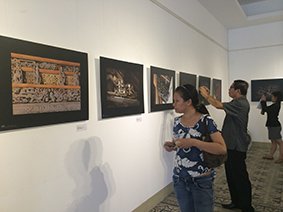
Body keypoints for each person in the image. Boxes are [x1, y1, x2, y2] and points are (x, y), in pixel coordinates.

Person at [164, 84, 226, 212]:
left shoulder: (206, 121)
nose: (173, 104)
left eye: (177, 101)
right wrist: (173, 145)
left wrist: (194, 142)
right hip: (180, 177)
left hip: (201, 179)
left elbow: (221, 148)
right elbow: (183, 144)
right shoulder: (176, 122)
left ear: (188, 102)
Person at [199, 80, 255, 212]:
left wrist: (206, 95)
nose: (229, 90)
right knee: (231, 175)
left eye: (231, 88)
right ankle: (236, 202)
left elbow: (218, 105)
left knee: (240, 176)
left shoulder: (241, 103)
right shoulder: (236, 103)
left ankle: (247, 206)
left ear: (238, 91)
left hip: (237, 147)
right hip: (230, 145)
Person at [260, 91, 283, 163]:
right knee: (273, 141)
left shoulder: (276, 105)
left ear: (276, 98)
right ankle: (270, 155)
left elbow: (266, 109)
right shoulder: (275, 105)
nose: (271, 97)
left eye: (272, 96)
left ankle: (281, 157)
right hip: (272, 125)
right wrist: (263, 104)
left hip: (274, 126)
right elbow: (266, 109)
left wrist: (263, 101)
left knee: (279, 142)